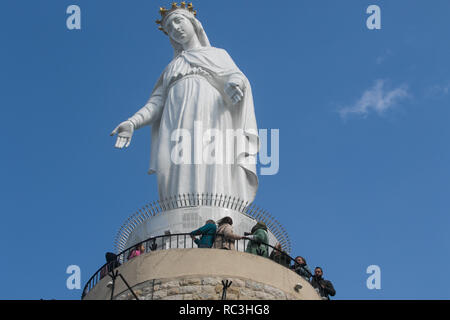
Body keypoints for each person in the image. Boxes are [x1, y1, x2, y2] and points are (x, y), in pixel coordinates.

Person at [110, 3, 259, 203]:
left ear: (193, 23)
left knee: (210, 161)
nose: (175, 29)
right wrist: (132, 122)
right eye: (169, 28)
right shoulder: (172, 67)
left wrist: (235, 82)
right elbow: (156, 103)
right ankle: (180, 210)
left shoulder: (217, 54)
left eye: (178, 21)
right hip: (176, 121)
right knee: (175, 166)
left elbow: (236, 76)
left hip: (211, 114)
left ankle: (216, 207)